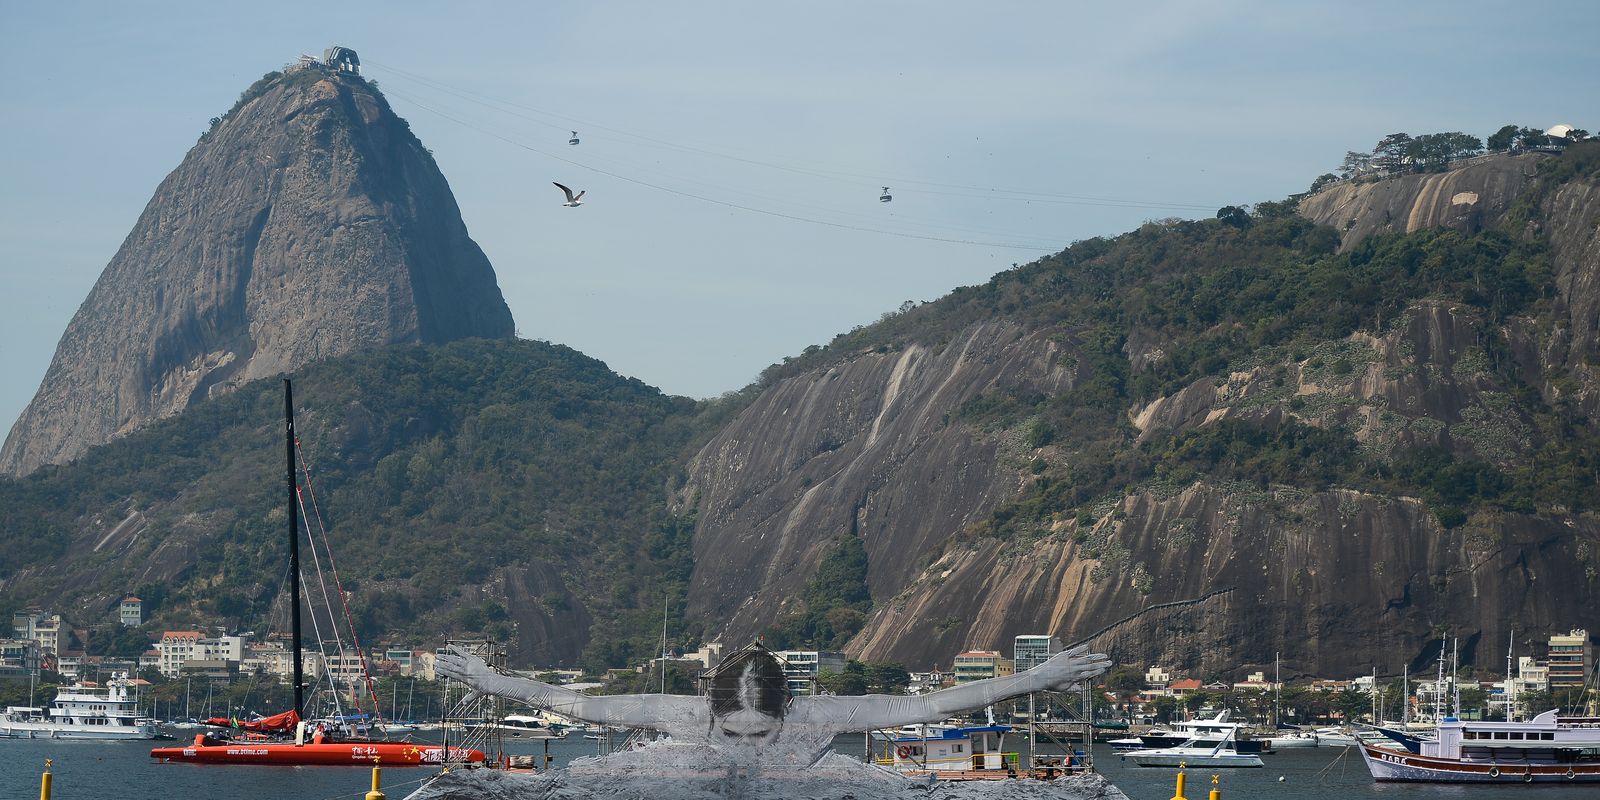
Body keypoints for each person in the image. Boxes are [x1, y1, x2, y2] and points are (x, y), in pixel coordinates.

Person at [436, 641, 1110, 765]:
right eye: (739, 731)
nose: (751, 738)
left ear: (788, 712)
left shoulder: (824, 714)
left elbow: (933, 706)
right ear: (712, 713)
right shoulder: (676, 714)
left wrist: (1032, 678)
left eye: (763, 730)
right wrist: (490, 680)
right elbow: (568, 701)